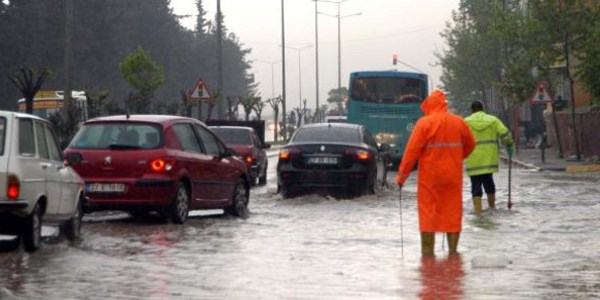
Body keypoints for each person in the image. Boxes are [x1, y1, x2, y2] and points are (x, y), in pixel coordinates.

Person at [396, 90, 476, 256]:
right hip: (452, 176)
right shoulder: (458, 122)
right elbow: (471, 144)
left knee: (428, 213)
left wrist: (401, 177)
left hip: (430, 178)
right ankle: (453, 254)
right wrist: (457, 158)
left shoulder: (424, 123)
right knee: (452, 211)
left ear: (429, 105)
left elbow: (411, 152)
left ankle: (428, 255)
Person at [464, 101, 514, 214]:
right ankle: (492, 207)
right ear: (483, 109)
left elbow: (458, 137)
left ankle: (478, 211)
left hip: (473, 160)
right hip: (489, 159)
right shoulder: (493, 120)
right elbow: (505, 134)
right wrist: (509, 144)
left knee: (475, 184)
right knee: (489, 182)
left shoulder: (465, 122)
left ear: (472, 110)